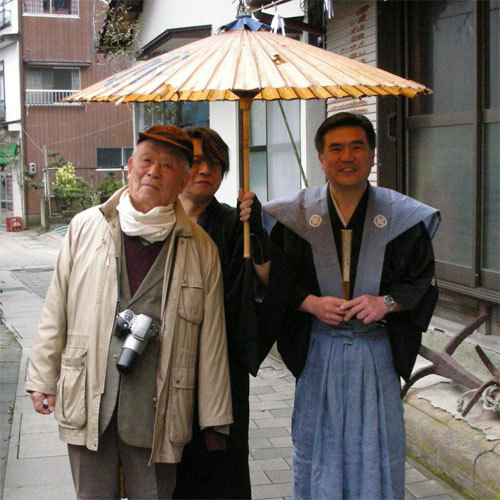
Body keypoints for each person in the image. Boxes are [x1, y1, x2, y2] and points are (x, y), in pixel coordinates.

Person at [25, 125, 232, 499]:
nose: (153, 172)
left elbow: (212, 339)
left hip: (159, 406)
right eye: (147, 161)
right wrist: (42, 375)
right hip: (88, 395)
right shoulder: (86, 227)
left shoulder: (200, 248)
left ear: (183, 179)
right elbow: (57, 306)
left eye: (168, 166)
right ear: (129, 166)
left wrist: (215, 419)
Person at [263, 112, 440, 500]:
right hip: (319, 352)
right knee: (318, 446)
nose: (347, 157)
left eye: (357, 146)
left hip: (374, 353)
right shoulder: (291, 217)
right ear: (321, 159)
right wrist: (308, 303)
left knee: (376, 447)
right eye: (335, 148)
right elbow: (273, 282)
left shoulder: (402, 217)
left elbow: (421, 280)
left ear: (372, 155)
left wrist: (387, 303)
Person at [173, 126, 273, 500]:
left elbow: (263, 281)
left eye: (214, 162)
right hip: (167, 356)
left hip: (220, 357)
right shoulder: (155, 219)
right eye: (196, 161)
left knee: (222, 462)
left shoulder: (236, 222)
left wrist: (256, 230)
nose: (205, 170)